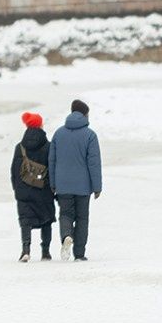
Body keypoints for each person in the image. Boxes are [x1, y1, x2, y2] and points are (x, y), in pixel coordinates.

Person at [48, 100, 102, 261]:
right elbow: (94, 163)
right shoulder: (90, 135)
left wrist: (53, 183)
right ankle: (79, 254)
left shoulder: (58, 134)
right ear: (85, 114)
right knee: (82, 218)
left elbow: (52, 160)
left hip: (63, 184)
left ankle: (66, 236)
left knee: (65, 214)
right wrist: (97, 187)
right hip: (83, 186)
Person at [11, 111, 56, 261]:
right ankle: (46, 252)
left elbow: (14, 171)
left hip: (24, 191)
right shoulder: (49, 146)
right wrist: (53, 187)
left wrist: (17, 189)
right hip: (44, 190)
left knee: (26, 220)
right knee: (47, 220)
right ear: (40, 125)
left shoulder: (20, 147)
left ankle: (26, 249)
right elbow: (52, 168)